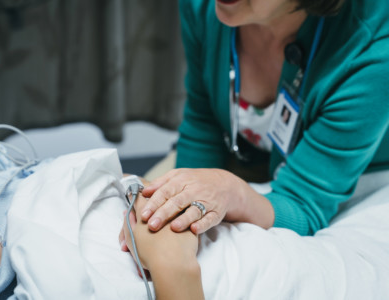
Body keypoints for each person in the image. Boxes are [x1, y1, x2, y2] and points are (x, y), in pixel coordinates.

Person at [122, 0, 389, 239]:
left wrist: (231, 192)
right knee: (137, 216)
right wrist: (185, 194)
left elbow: (304, 205)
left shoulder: (373, 50)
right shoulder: (203, 6)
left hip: (347, 179)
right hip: (243, 162)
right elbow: (203, 122)